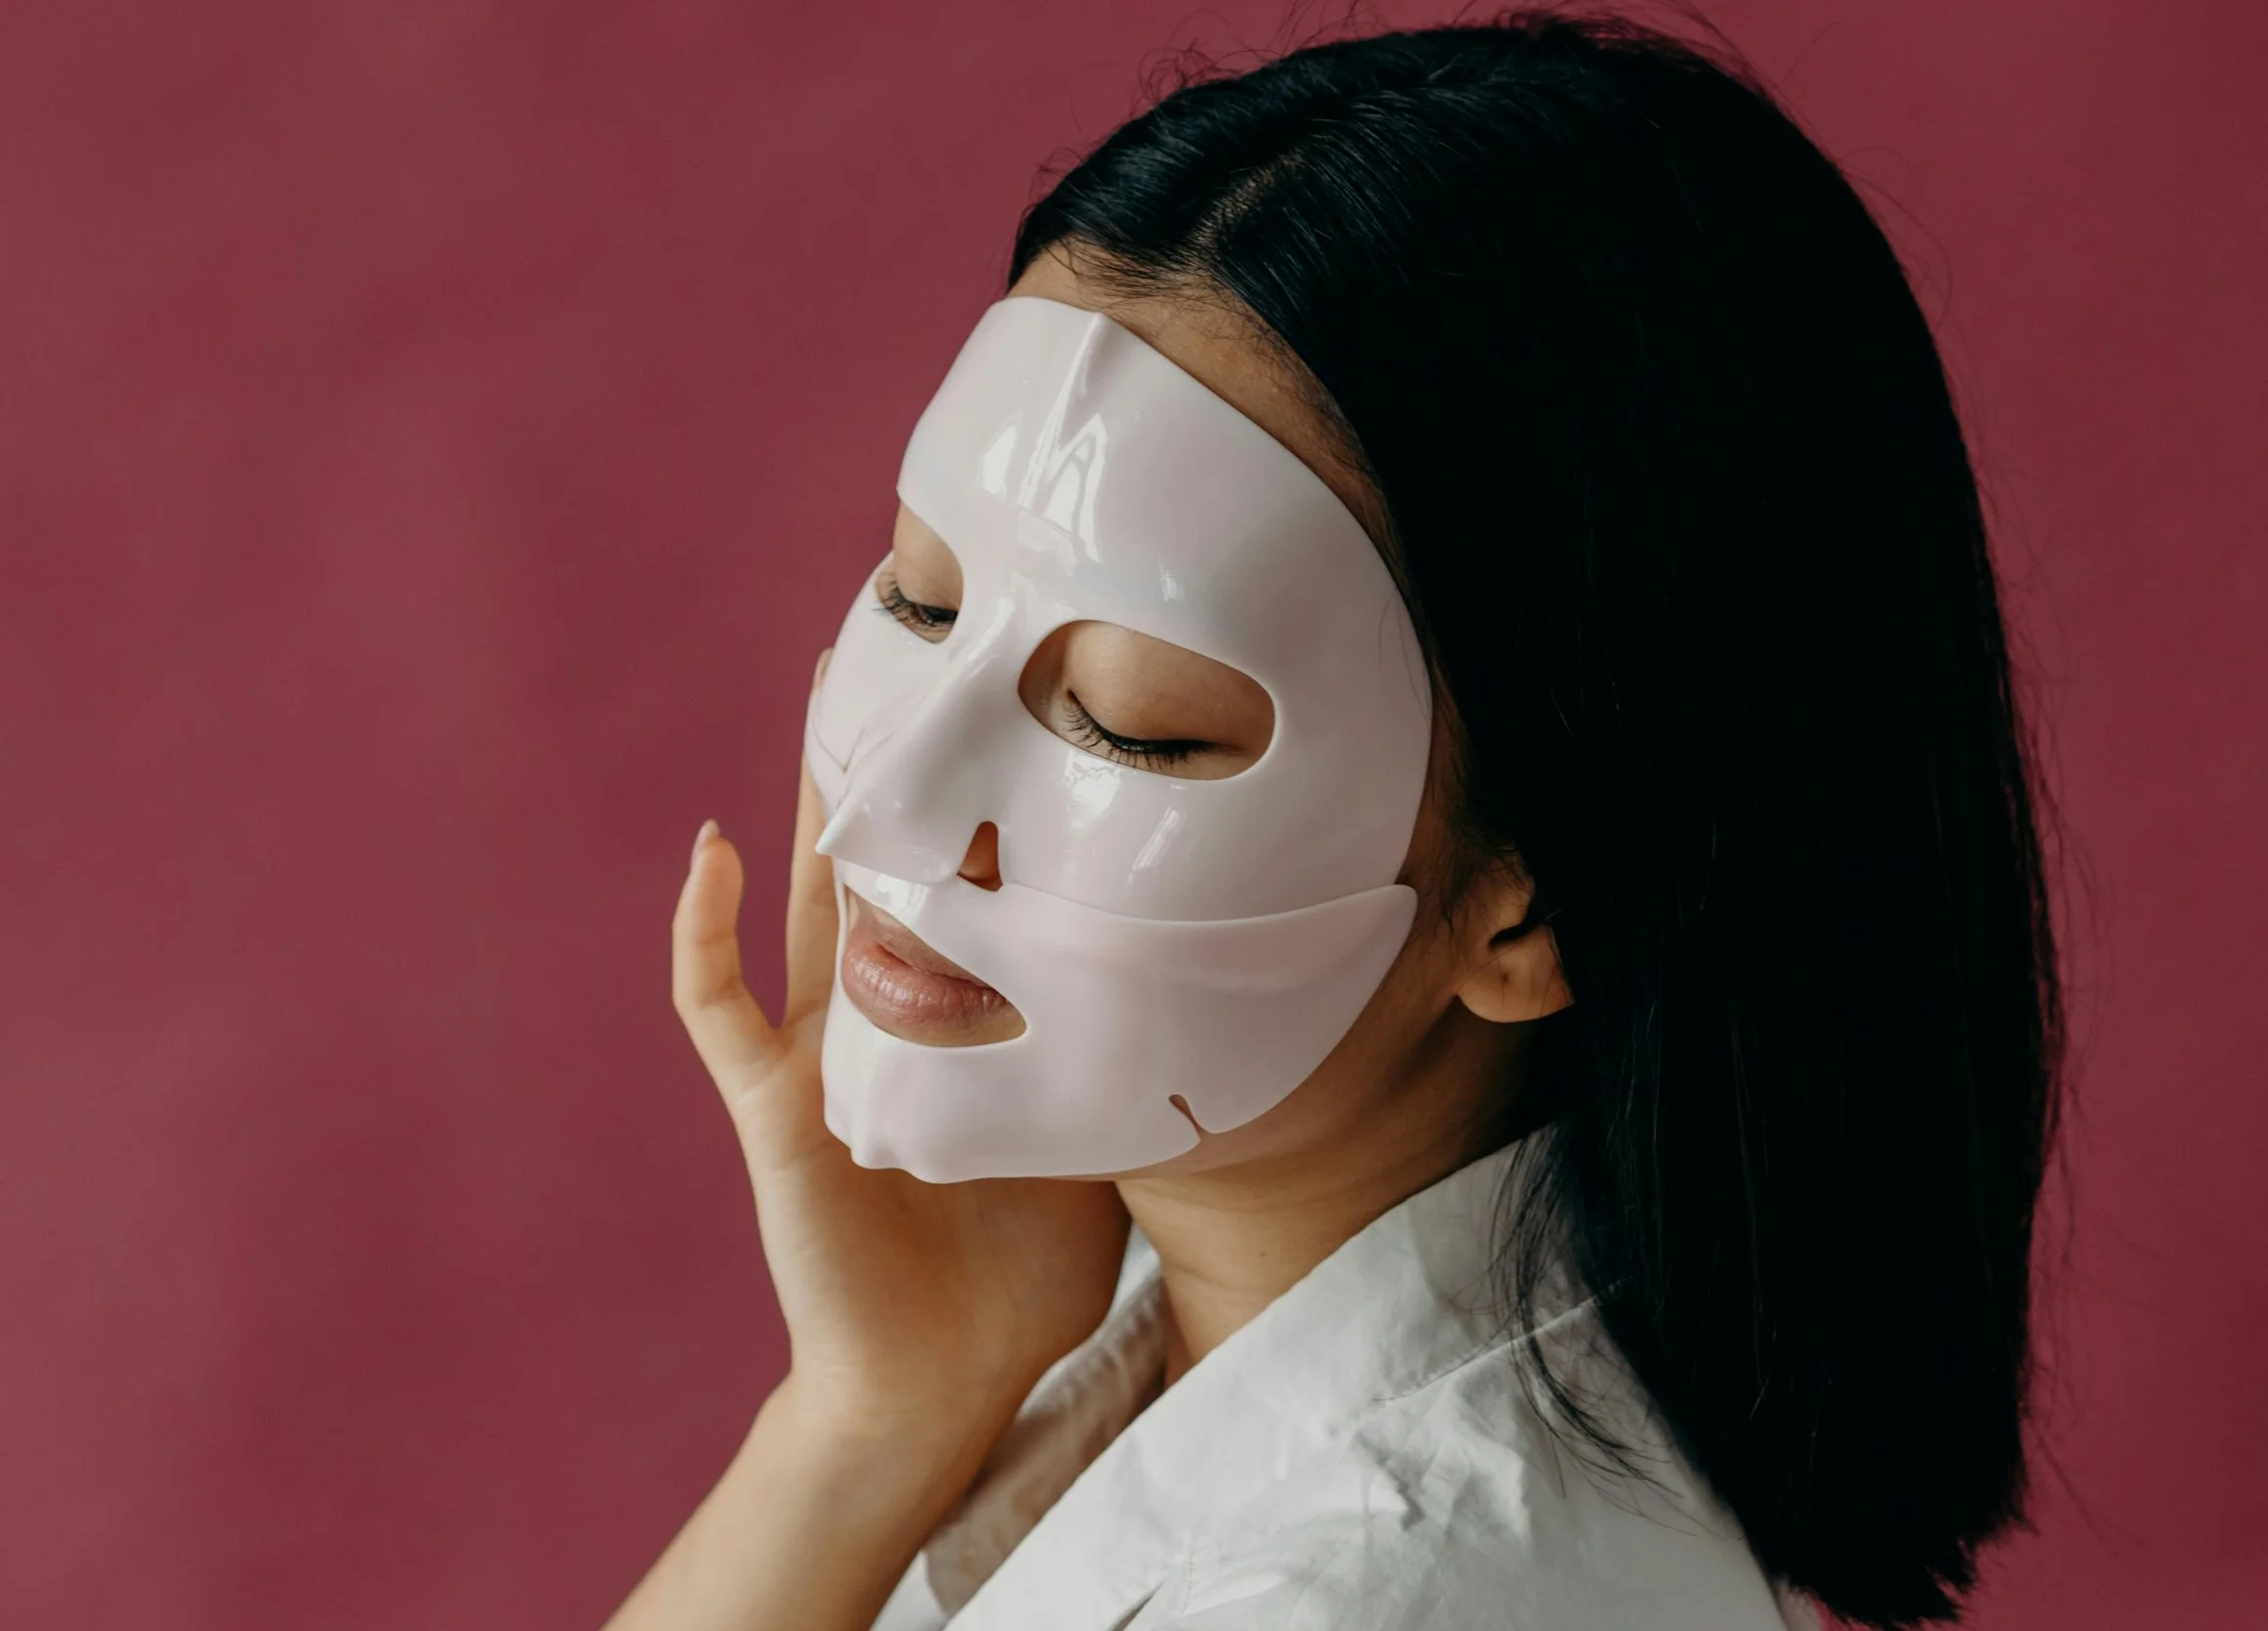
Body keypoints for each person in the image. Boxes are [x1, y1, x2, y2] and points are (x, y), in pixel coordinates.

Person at [605, 13, 2061, 1631]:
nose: (891, 790)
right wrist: (865, 1422)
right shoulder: (1145, 1293)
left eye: (1131, 724)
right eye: (920, 596)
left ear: (1537, 903)